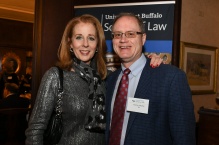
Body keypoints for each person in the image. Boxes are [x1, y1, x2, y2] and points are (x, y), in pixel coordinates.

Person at [25, 14, 163, 145]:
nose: (85, 44)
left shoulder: (107, 78)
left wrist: (149, 63)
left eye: (91, 38)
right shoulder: (55, 76)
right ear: (70, 43)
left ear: (97, 44)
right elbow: (35, 130)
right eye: (79, 37)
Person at [105, 13, 196, 145]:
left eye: (130, 34)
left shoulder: (171, 78)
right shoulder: (110, 80)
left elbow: (184, 137)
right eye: (118, 34)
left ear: (143, 38)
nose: (123, 40)